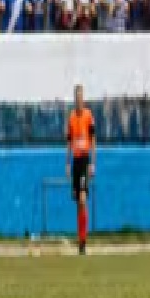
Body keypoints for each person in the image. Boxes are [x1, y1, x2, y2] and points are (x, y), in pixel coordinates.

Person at [66, 85, 95, 255]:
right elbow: (69, 141)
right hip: (76, 161)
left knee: (83, 199)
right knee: (78, 202)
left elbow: (93, 138)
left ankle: (84, 241)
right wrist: (67, 163)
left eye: (81, 97)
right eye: (76, 97)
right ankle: (81, 239)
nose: (79, 100)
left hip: (85, 159)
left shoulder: (88, 116)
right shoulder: (71, 118)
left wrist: (92, 163)